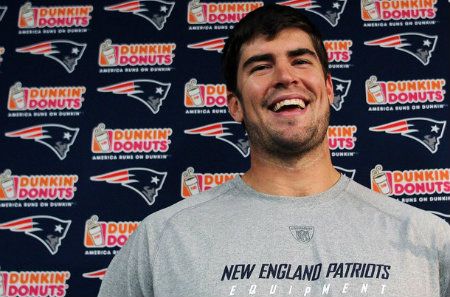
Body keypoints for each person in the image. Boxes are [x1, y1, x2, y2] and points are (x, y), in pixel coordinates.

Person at [98, 4, 450, 297]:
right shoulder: (164, 239)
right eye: (261, 66)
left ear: (329, 89)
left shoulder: (426, 237)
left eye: (300, 61)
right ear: (235, 106)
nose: (284, 76)